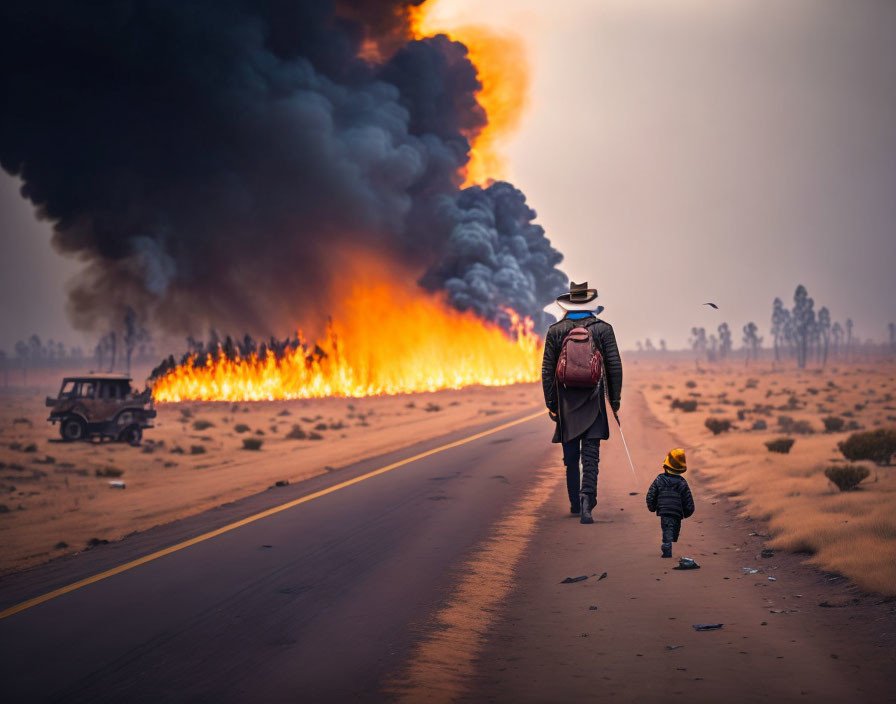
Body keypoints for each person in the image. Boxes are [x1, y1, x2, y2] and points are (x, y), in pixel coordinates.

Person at [541, 281, 623, 524]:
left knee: (570, 459)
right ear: (591, 304)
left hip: (566, 404)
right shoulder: (604, 329)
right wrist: (614, 400)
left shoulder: (556, 330)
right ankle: (588, 502)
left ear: (568, 303)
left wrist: (552, 404)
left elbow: (547, 370)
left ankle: (574, 504)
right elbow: (615, 367)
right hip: (594, 402)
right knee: (591, 457)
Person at [645, 448, 696, 557]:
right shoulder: (682, 482)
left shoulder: (659, 479)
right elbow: (688, 500)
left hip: (664, 510)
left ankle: (667, 543)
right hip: (677, 512)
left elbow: (651, 494)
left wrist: (652, 507)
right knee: (672, 528)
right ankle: (667, 545)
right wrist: (687, 513)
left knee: (667, 527)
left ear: (665, 466)